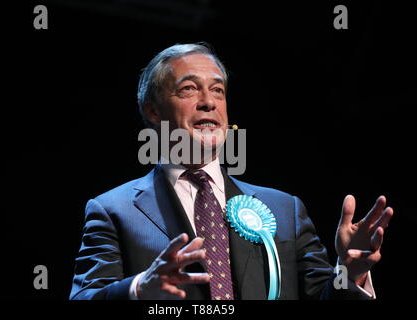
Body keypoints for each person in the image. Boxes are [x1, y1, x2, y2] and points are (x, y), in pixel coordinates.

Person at [69, 43, 394, 300]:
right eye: (188, 89)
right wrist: (140, 289)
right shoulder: (113, 211)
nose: (208, 102)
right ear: (153, 110)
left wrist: (349, 273)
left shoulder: (285, 209)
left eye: (218, 90)